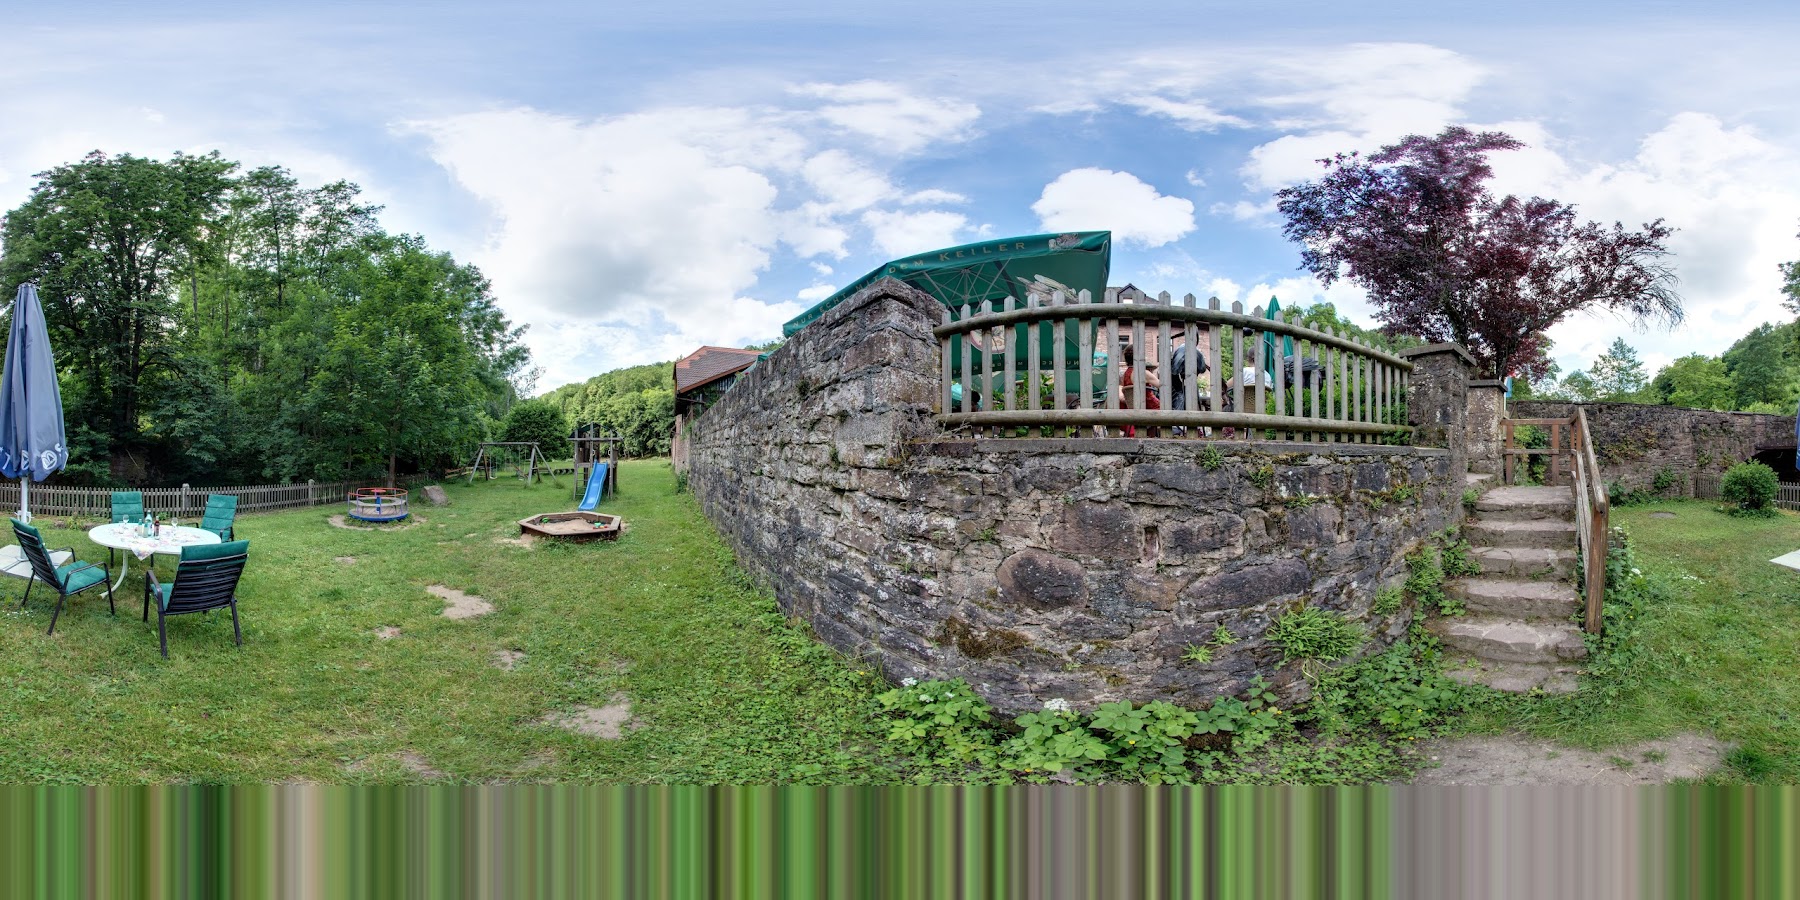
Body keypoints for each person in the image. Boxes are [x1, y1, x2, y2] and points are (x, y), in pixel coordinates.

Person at [1117, 342, 1161, 437]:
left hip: (1134, 408)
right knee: (1170, 407)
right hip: (1150, 406)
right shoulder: (1142, 373)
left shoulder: (1126, 374)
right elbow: (1162, 385)